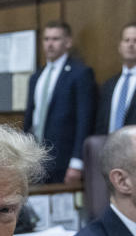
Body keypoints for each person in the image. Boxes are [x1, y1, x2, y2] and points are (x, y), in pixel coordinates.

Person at [22, 21, 96, 184]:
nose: (50, 44)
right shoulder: (37, 76)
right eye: (46, 39)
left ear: (68, 42)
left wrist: (77, 162)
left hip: (64, 159)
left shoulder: (80, 73)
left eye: (55, 39)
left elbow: (85, 120)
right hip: (35, 158)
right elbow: (31, 117)